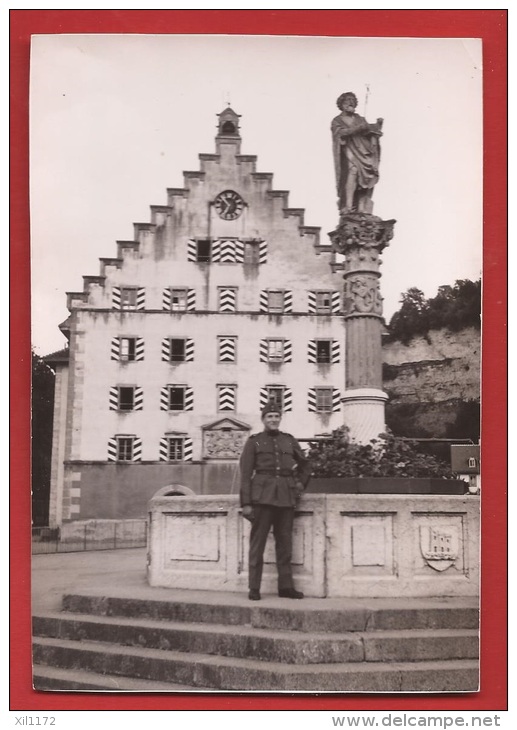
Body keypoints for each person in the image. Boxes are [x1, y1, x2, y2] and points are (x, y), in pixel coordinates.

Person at [239, 402, 312, 601]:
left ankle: (286, 587)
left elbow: (305, 465)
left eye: (276, 416)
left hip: (286, 499)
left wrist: (300, 485)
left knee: (285, 545)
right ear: (263, 419)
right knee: (257, 546)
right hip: (262, 498)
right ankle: (254, 588)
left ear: (280, 418)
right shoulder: (254, 442)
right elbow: (245, 474)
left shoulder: (289, 440)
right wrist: (246, 503)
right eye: (269, 416)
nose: (273, 419)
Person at [331, 91, 383, 215]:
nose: (350, 103)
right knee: (352, 172)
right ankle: (348, 206)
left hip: (363, 151)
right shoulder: (337, 120)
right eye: (347, 100)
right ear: (341, 104)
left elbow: (369, 129)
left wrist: (378, 125)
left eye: (352, 101)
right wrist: (357, 129)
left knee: (364, 177)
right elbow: (341, 133)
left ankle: (361, 207)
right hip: (348, 149)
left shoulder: (360, 119)